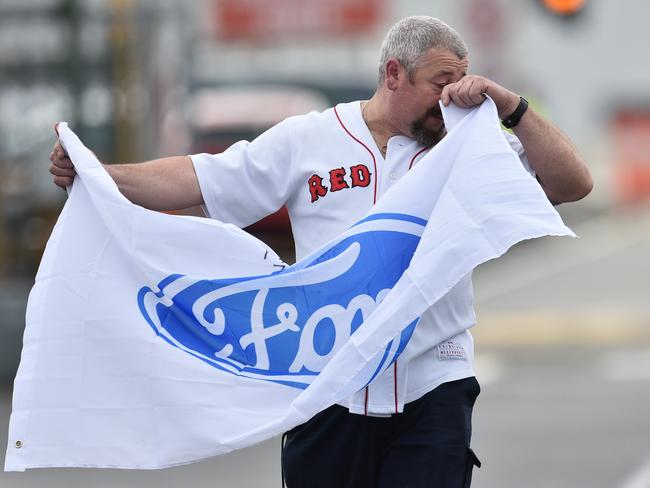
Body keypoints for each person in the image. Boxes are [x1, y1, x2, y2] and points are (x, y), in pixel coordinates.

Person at [49, 15, 592, 488]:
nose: (452, 96)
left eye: (460, 81)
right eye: (440, 82)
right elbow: (203, 179)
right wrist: (100, 174)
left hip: (434, 386)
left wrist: (508, 104)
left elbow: (573, 184)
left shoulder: (464, 144)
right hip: (329, 387)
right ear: (393, 75)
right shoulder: (309, 139)